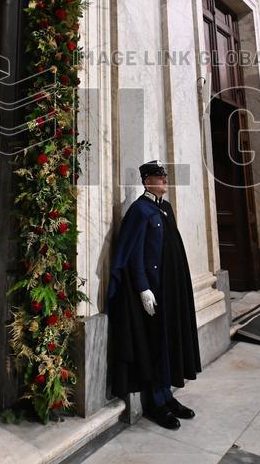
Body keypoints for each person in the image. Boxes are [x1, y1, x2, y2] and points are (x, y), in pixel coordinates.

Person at [107, 160, 200, 430]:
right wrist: (143, 288)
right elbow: (133, 253)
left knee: (168, 340)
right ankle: (155, 402)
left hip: (170, 289)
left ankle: (167, 395)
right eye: (159, 178)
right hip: (153, 290)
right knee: (155, 344)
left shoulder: (165, 208)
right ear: (147, 181)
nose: (164, 181)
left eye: (165, 177)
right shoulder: (139, 210)